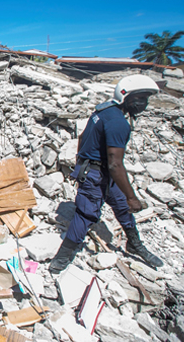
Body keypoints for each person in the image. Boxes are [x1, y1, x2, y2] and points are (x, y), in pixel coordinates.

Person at [49, 74, 164, 273]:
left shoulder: (104, 111)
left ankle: (134, 243)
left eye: (146, 99)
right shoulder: (118, 122)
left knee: (121, 206)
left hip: (102, 172)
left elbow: (84, 136)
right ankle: (62, 257)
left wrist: (81, 160)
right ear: (124, 96)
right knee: (86, 214)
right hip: (97, 174)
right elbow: (115, 164)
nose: (143, 103)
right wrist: (132, 197)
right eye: (139, 98)